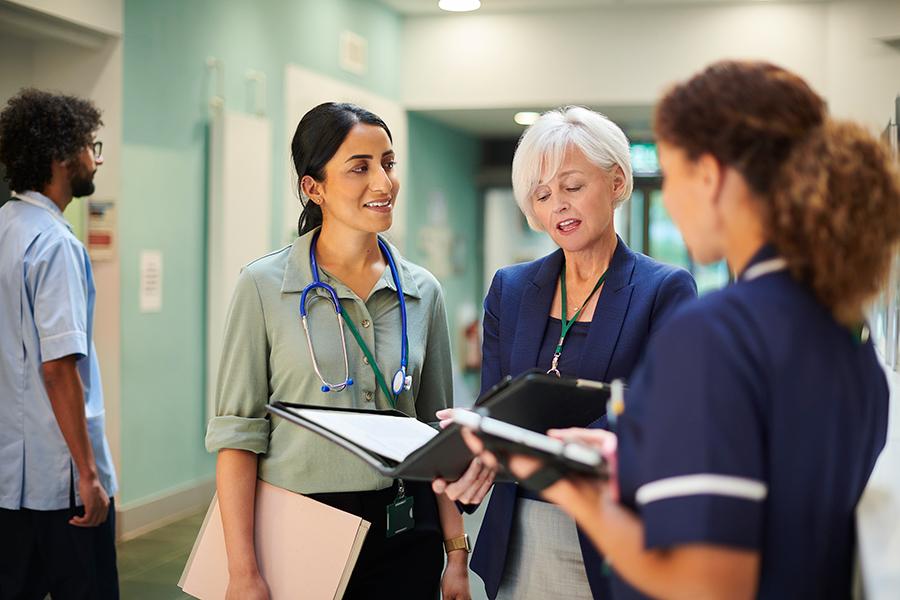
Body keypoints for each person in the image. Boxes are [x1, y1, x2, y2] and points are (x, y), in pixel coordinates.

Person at [461, 60, 900, 599]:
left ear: (709, 175)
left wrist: (564, 481)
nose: (667, 199)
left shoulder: (720, 335)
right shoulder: (848, 332)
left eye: (671, 175)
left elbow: (707, 583)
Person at [205, 102, 471, 600]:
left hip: (406, 526)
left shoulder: (422, 291)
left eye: (388, 164)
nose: (383, 183)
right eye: (359, 168)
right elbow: (238, 437)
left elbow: (437, 435)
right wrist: (242, 571)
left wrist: (456, 552)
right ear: (314, 187)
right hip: (302, 525)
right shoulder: (263, 286)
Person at [433, 106, 696, 600]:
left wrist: (537, 448)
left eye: (572, 186)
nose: (559, 206)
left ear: (616, 182)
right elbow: (495, 406)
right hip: (516, 535)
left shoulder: (664, 290)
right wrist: (473, 444)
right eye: (542, 195)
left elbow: (659, 410)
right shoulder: (510, 289)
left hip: (612, 529)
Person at [0, 89, 119, 599]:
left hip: (10, 481)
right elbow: (58, 367)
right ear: (61, 155)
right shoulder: (55, 243)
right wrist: (88, 476)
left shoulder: (5, 226)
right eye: (91, 146)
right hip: (60, 480)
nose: (96, 159)